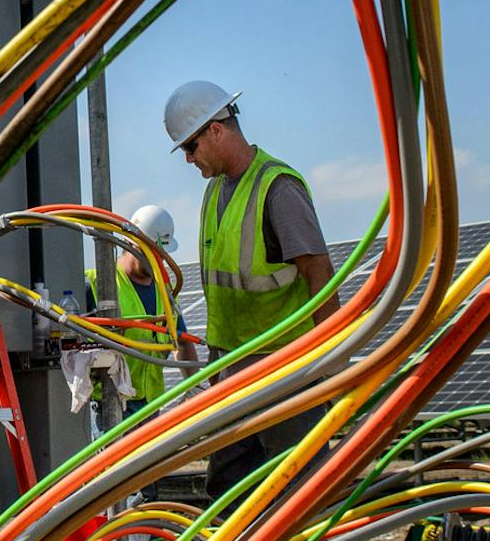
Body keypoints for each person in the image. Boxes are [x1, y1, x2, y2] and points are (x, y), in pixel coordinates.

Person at [163, 81, 342, 494]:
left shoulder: (277, 188)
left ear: (216, 129)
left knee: (300, 489)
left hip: (281, 372)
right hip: (231, 373)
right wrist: (215, 365)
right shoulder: (214, 192)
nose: (188, 160)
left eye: (190, 148)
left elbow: (318, 272)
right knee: (228, 491)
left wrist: (331, 362)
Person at [81, 203, 193, 412]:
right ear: (131, 244)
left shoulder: (164, 291)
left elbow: (183, 342)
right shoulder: (96, 284)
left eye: (162, 255)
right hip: (109, 405)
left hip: (149, 406)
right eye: (151, 253)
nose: (158, 261)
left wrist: (193, 386)